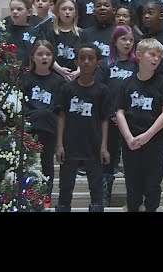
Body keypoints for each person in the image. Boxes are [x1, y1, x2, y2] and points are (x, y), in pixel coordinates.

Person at [115, 38, 163, 212]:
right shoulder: (127, 83)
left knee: (152, 185)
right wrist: (129, 137)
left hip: (155, 141)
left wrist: (148, 135)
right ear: (139, 55)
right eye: (152, 54)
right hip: (131, 141)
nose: (156, 59)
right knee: (133, 185)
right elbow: (119, 112)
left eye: (159, 56)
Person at [54, 43, 113, 212]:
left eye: (91, 58)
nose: (86, 62)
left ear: (98, 63)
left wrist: (103, 147)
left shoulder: (102, 91)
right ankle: (64, 205)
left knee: (95, 182)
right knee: (66, 183)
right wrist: (59, 144)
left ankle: (96, 205)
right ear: (76, 62)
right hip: (70, 143)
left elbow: (104, 120)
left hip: (93, 144)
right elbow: (61, 116)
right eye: (82, 58)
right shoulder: (67, 89)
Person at [97, 25, 138, 207]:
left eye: (130, 40)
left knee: (132, 161)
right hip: (110, 119)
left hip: (132, 119)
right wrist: (110, 113)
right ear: (114, 41)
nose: (127, 43)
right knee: (108, 158)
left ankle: (134, 196)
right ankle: (105, 195)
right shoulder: (107, 64)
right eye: (123, 39)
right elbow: (100, 91)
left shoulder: (137, 64)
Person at [22, 40, 65, 202]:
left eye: (48, 54)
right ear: (32, 57)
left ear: (53, 57)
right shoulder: (25, 79)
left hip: (49, 130)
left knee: (47, 162)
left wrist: (60, 143)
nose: (44, 57)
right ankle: (26, 196)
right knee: (27, 165)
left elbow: (60, 113)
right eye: (40, 54)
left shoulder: (58, 81)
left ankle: (45, 197)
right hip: (28, 130)